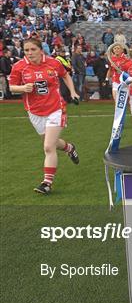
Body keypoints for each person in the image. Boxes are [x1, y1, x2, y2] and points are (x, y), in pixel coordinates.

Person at [8, 38, 80, 195]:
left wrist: (73, 92)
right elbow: (12, 87)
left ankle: (47, 183)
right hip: (34, 111)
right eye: (26, 50)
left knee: (48, 146)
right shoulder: (19, 67)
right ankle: (69, 147)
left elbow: (65, 76)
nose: (29, 53)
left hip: (55, 108)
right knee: (51, 143)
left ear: (41, 50)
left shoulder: (53, 63)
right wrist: (22, 88)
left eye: (33, 49)